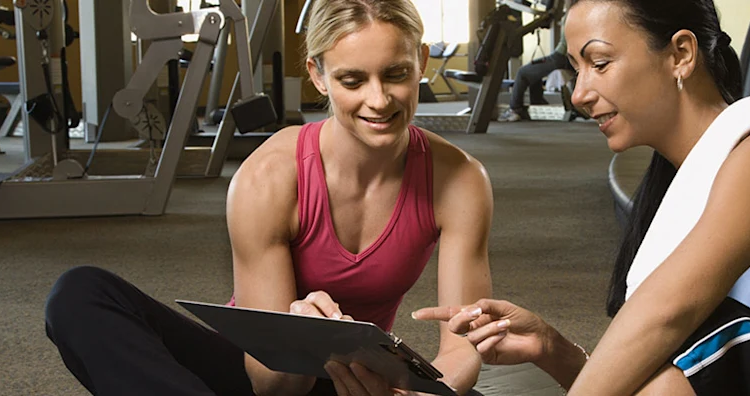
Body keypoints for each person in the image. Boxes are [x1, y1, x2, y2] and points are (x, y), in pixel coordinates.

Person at [343, 0, 750, 395]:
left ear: (681, 54)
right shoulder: (688, 179)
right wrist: (556, 349)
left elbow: (674, 321)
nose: (579, 93)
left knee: (728, 334)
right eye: (576, 68)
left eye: (599, 63)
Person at [41, 0, 495, 395]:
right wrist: (300, 338)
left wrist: (426, 395)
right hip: (263, 374)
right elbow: (269, 386)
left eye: (395, 74)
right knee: (80, 295)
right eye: (353, 81)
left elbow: (462, 347)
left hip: (363, 382)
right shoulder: (270, 176)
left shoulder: (460, 180)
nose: (378, 100)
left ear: (420, 60)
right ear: (318, 76)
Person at [499, 16, 574, 123]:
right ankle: (538, 102)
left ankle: (515, 110)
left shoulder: (572, 13)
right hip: (569, 58)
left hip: (561, 57)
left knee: (523, 73)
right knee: (534, 73)